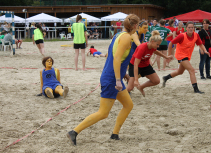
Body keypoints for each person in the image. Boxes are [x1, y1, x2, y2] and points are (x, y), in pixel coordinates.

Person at [67, 14, 140, 146]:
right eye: (139, 25)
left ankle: (115, 134)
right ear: (135, 26)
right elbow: (116, 59)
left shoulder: (117, 35)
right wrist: (118, 79)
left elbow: (111, 56)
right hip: (112, 78)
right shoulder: (126, 38)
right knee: (103, 113)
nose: (139, 28)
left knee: (128, 105)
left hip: (112, 76)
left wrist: (123, 74)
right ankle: (74, 131)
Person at [162, 21, 209, 94]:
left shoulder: (196, 35)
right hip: (180, 55)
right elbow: (171, 43)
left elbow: (200, 44)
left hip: (187, 56)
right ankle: (196, 89)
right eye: (189, 27)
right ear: (186, 28)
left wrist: (205, 51)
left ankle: (166, 78)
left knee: (180, 72)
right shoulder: (182, 36)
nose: (190, 29)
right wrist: (169, 55)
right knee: (192, 70)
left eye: (192, 27)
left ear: (194, 28)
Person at [127, 30, 172, 96]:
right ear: (152, 41)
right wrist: (136, 80)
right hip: (134, 65)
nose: (158, 46)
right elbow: (136, 64)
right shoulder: (142, 48)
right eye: (157, 44)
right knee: (130, 88)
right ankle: (120, 94)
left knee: (156, 81)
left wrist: (166, 57)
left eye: (159, 45)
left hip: (145, 65)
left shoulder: (152, 47)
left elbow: (156, 51)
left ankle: (141, 87)